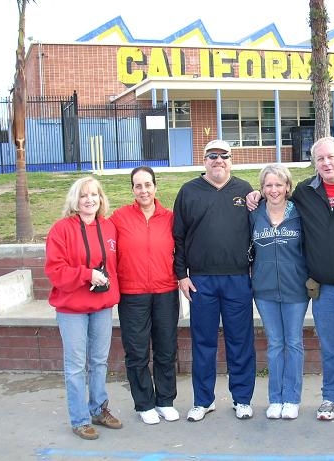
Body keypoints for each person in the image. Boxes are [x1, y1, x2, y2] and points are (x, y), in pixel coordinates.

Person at [247, 136, 334, 425]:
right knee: (332, 347)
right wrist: (256, 193)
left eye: (330, 157)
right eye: (319, 159)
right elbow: (276, 194)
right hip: (325, 289)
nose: (325, 163)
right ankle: (333, 396)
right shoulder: (305, 192)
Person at [174, 139, 256, 422]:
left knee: (240, 341)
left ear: (231, 160)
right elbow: (179, 237)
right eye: (212, 156)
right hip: (201, 281)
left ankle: (242, 399)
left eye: (224, 156)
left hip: (237, 279)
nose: (218, 160)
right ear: (204, 160)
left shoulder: (245, 191)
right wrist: (181, 275)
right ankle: (203, 400)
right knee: (203, 342)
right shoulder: (188, 191)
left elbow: (259, 231)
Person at [44, 176, 122, 440]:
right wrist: (87, 274)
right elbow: (55, 271)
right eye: (83, 195)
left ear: (101, 199)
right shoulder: (61, 229)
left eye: (94, 195)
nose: (89, 200)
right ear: (75, 200)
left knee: (99, 361)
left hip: (101, 305)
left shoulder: (109, 227)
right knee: (76, 365)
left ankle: (99, 409)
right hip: (72, 308)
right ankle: (79, 419)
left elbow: (115, 265)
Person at [110, 166, 180, 425]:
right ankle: (144, 403)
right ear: (132, 189)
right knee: (137, 352)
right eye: (138, 186)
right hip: (132, 294)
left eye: (147, 185)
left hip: (165, 291)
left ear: (155, 187)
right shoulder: (119, 218)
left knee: (165, 349)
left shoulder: (170, 218)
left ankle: (165, 400)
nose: (144, 190)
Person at [249, 164, 309, 420]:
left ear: (288, 187)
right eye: (268, 185)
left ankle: (292, 398)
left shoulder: (300, 213)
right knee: (274, 344)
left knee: (293, 343)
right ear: (261, 189)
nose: (274, 190)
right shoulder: (253, 214)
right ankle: (276, 398)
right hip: (264, 289)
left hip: (295, 288)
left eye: (278, 184)